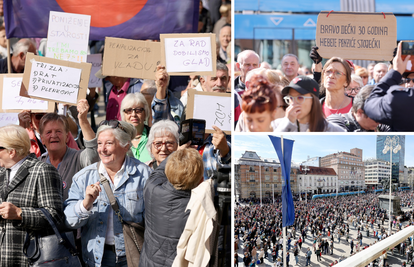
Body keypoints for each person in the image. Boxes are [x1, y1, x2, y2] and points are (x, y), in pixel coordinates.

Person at [64, 120, 152, 266]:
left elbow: (152, 222)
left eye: (109, 143)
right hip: (96, 258)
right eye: (99, 143)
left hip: (133, 256)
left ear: (125, 146)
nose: (102, 149)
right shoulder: (84, 177)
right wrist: (85, 204)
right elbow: (69, 220)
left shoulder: (143, 174)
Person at [0, 125, 63, 266]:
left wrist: (19, 213)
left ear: (11, 152)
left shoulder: (43, 170)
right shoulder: (2, 172)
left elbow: (55, 215)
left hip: (29, 258)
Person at [139, 148, 204, 266]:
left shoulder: (151, 188)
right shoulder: (200, 208)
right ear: (200, 177)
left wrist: (177, 152)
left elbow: (158, 171)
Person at [364, 42, 414, 131]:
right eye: (407, 80)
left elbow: (371, 105)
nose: (409, 84)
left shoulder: (401, 100)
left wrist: (396, 71)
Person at [273, 75, 345, 132]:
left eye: (300, 98)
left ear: (313, 100)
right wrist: (287, 123)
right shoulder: (277, 125)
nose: (293, 103)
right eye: (291, 98)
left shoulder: (333, 130)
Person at [120, 92, 152, 163]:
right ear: (123, 116)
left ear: (145, 114)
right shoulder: (118, 139)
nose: (134, 114)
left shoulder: (154, 137)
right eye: (129, 110)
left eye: (138, 110)